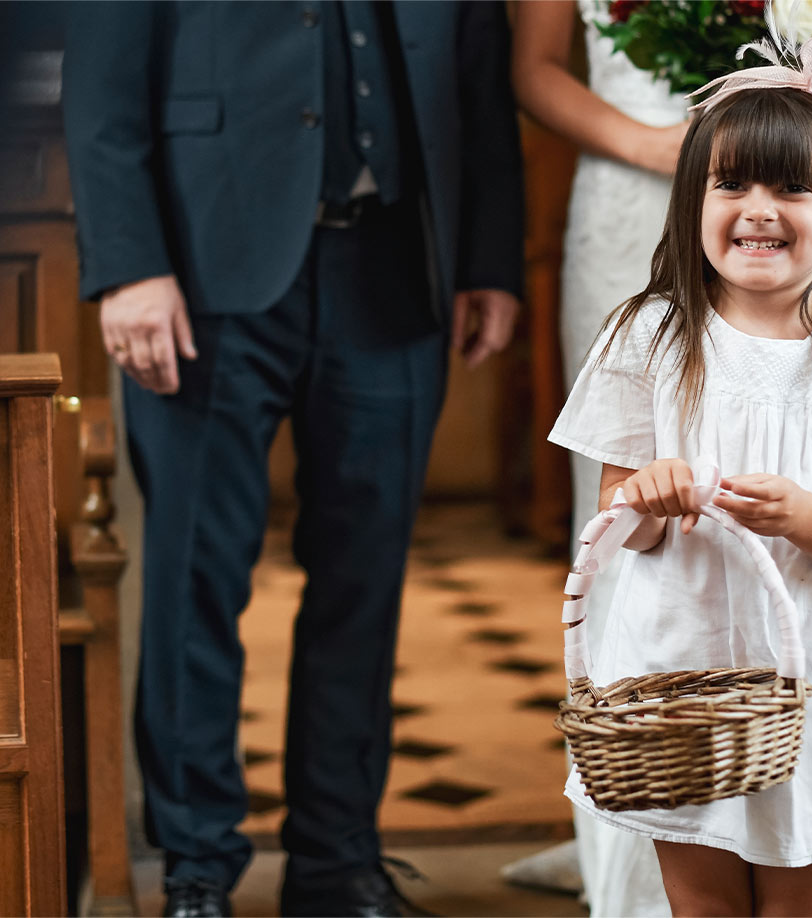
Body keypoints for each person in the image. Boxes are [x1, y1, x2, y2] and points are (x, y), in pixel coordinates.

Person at [61, 3, 523, 916]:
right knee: (196, 580)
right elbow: (102, 78)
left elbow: (479, 82)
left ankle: (338, 860)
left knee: (367, 583)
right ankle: (197, 867)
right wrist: (126, 264)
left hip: (394, 272)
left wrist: (490, 259)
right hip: (199, 272)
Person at [548, 36, 812, 917]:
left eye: (790, 187)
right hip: (680, 675)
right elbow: (622, 517)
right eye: (730, 184)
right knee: (702, 906)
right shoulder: (649, 336)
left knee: (801, 906)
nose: (758, 209)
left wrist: (805, 516)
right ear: (693, 199)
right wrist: (647, 494)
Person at [509, 3, 686, 912]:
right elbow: (534, 67)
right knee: (618, 520)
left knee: (759, 510)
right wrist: (652, 145)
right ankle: (616, 837)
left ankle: (731, 824)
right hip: (630, 196)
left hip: (776, 204)